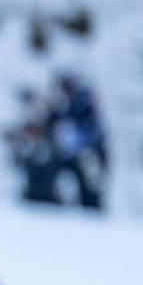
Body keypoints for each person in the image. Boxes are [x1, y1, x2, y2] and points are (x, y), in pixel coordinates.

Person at [47, 73, 107, 211]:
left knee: (91, 186)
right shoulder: (62, 103)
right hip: (70, 153)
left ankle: (93, 209)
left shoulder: (83, 101)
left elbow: (92, 128)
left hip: (89, 152)